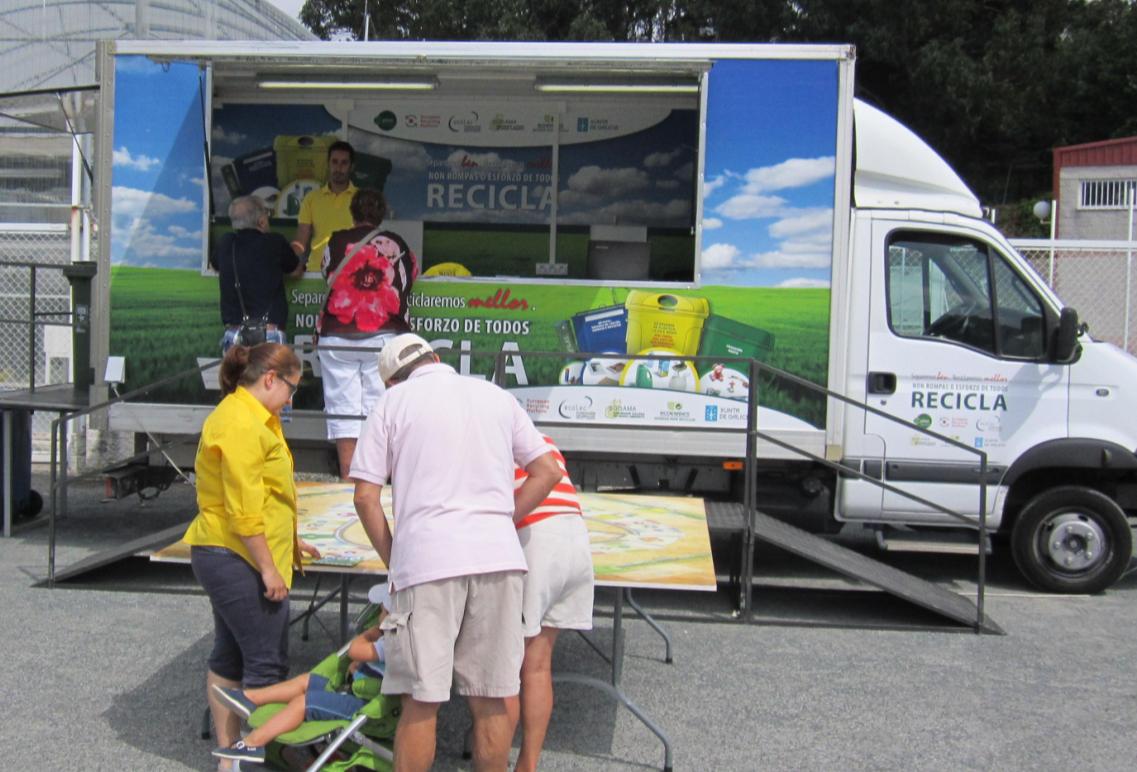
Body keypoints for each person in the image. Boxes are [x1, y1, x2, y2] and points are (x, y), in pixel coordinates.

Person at [350, 333, 563, 772]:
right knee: (491, 700)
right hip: (498, 558)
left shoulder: (393, 403)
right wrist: (504, 518)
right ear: (437, 358)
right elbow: (547, 471)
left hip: (427, 560)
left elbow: (365, 498)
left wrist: (396, 559)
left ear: (391, 382)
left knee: (421, 700)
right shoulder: (494, 396)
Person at [183, 343, 321, 768]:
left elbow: (267, 493)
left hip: (231, 553)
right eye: (292, 388)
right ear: (269, 379)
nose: (291, 397)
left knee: (229, 654)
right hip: (237, 557)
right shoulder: (241, 423)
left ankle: (230, 759)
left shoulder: (256, 416)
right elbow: (244, 511)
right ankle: (251, 756)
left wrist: (291, 541)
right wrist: (268, 568)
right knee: (266, 665)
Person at [316, 188, 418, 480]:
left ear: (353, 212)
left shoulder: (335, 241)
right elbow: (412, 273)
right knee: (379, 408)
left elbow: (326, 272)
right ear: (381, 214)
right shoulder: (397, 243)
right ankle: (374, 483)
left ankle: (349, 480)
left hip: (338, 333)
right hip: (383, 335)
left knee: (343, 409)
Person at [507, 435, 594, 772]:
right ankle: (528, 764)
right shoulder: (542, 441)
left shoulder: (490, 436)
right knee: (538, 665)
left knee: (507, 669)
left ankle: (494, 756)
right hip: (575, 538)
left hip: (537, 539)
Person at [210, 611, 389, 765]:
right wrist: (360, 662)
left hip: (365, 708)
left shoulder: (390, 643)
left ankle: (253, 744)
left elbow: (354, 650)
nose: (378, 617)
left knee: (303, 703)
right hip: (356, 690)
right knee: (307, 680)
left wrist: (368, 635)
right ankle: (251, 698)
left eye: (383, 611)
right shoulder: (387, 641)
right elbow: (362, 658)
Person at [210, 195, 304, 354]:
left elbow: (215, 266)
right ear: (261, 221)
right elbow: (295, 270)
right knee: (271, 379)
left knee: (238, 379)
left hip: (235, 335)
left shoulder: (225, 243)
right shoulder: (275, 242)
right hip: (270, 333)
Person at [292, 140, 357, 272]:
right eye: (334, 162)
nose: (338, 168)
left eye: (344, 163)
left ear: (352, 166)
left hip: (352, 274)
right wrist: (290, 262)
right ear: (328, 164)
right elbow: (302, 238)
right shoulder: (311, 198)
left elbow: (370, 238)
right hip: (317, 273)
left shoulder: (361, 198)